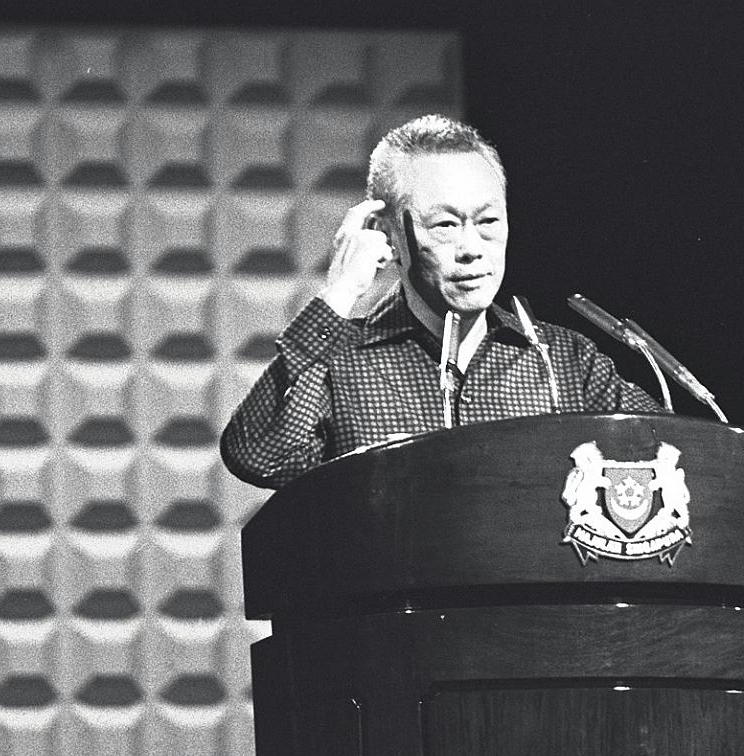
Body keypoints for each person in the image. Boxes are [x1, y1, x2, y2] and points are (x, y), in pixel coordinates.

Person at [220, 115, 663, 489]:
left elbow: (680, 457)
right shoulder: (341, 364)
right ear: (387, 233)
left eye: (488, 221)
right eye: (446, 225)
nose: (472, 247)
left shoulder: (565, 362)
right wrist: (337, 297)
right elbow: (256, 455)